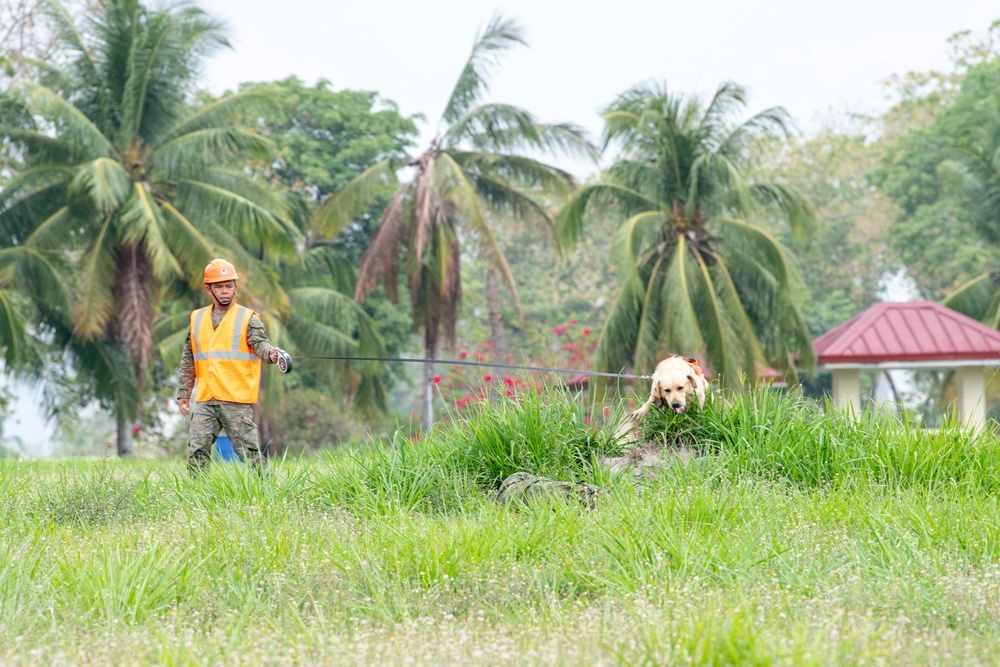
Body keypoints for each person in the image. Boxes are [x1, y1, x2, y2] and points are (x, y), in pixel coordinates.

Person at [176, 258, 281, 473]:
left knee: (248, 451)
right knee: (197, 448)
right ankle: (196, 495)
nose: (225, 291)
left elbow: (261, 345)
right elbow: (189, 357)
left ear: (235, 287)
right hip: (207, 398)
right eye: (219, 286)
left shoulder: (248, 318)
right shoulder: (197, 318)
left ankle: (266, 489)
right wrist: (184, 392)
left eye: (229, 286)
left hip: (236, 399)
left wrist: (271, 354)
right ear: (209, 289)